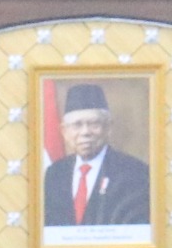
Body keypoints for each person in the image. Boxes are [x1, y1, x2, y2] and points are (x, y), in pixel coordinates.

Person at [40, 82, 151, 227]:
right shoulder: (55, 173)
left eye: (94, 124)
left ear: (108, 128)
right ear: (64, 132)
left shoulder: (134, 173)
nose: (85, 132)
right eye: (77, 125)